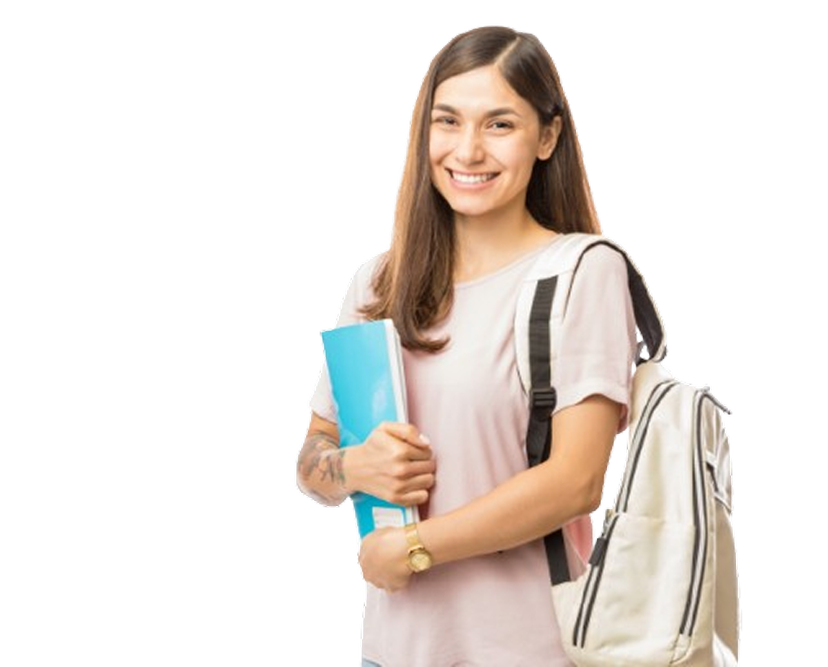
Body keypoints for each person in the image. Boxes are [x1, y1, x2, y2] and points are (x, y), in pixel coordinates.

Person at [296, 25, 639, 667]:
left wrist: (416, 547)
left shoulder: (581, 272)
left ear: (548, 137)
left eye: (500, 124)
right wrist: (353, 468)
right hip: (395, 650)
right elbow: (313, 456)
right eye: (447, 121)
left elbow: (575, 481)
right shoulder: (379, 280)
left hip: (530, 649)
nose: (468, 150)